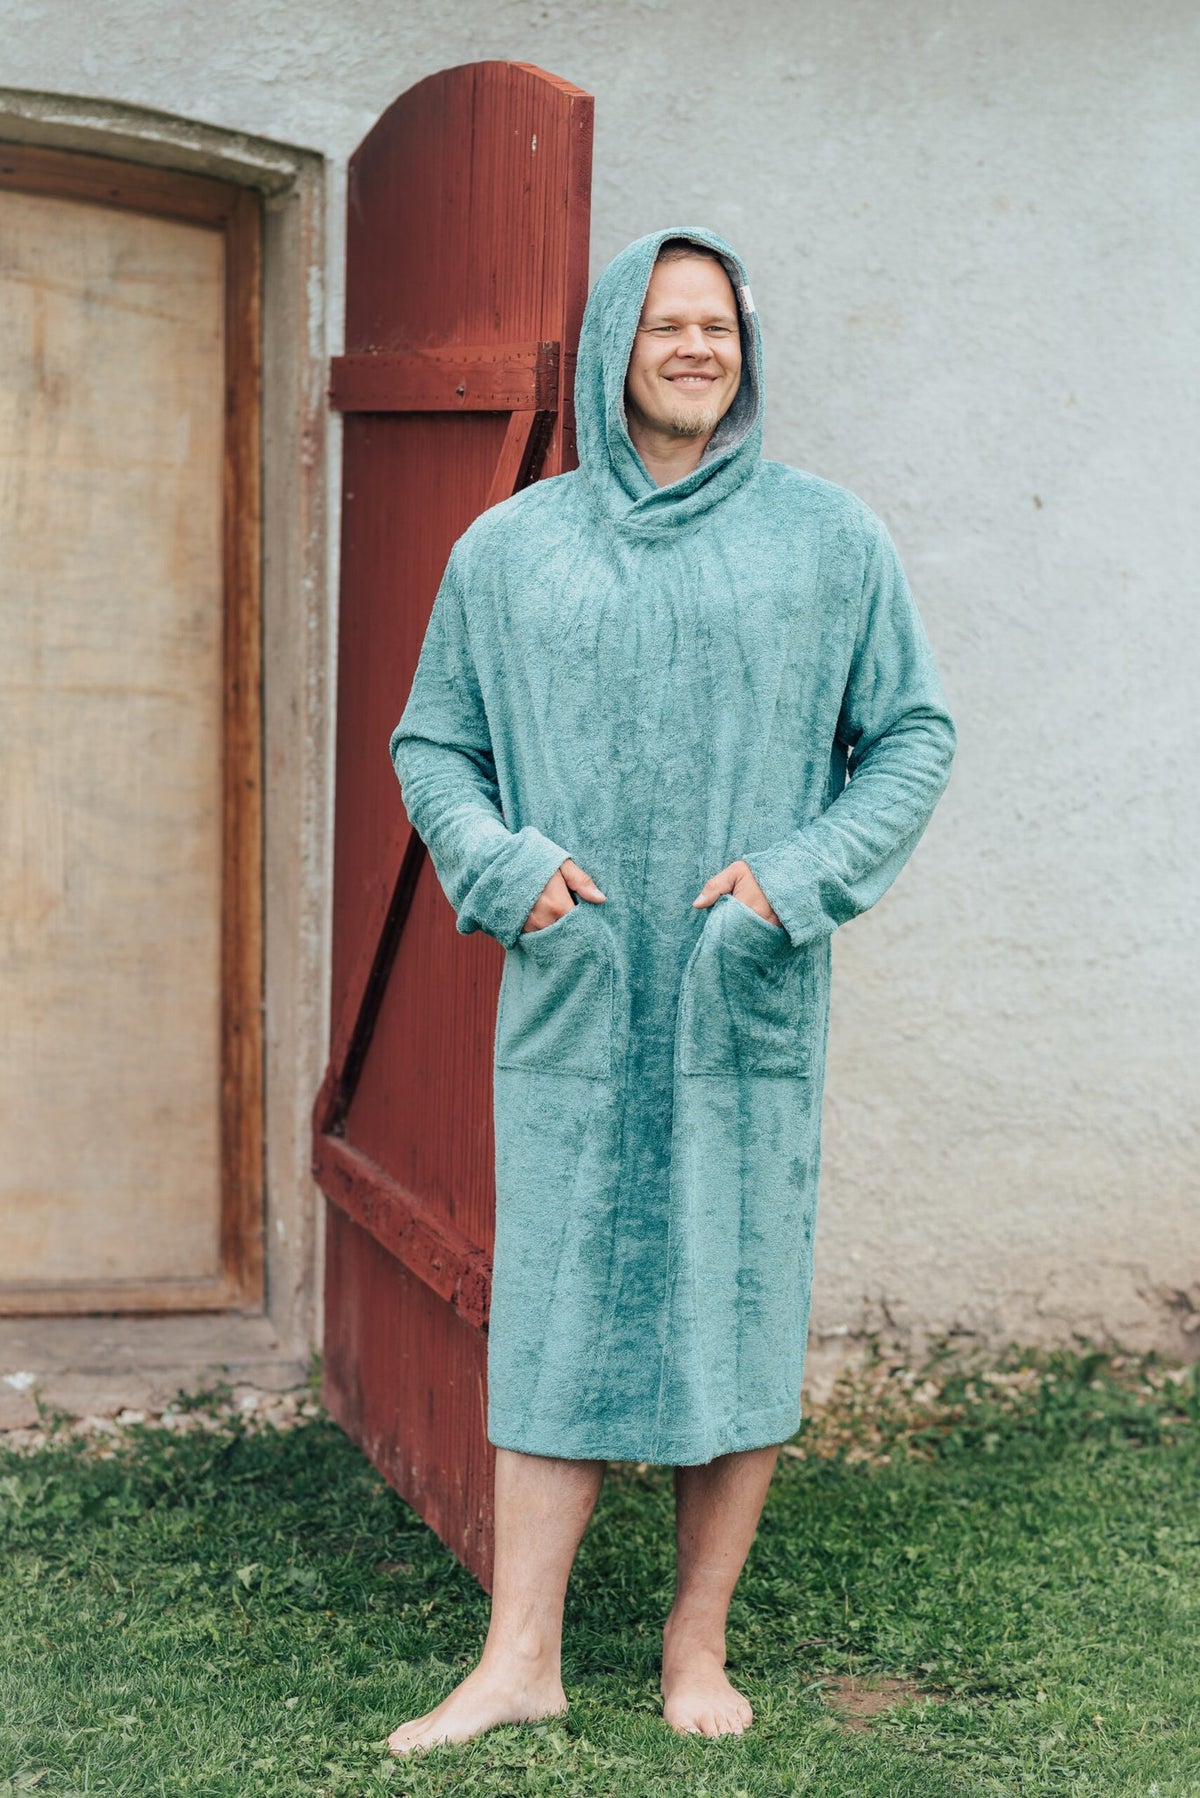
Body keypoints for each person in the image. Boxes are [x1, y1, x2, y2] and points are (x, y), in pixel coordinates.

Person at [386, 227, 956, 1754]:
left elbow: (910, 738)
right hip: (575, 992)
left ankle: (695, 1646)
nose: (695, 347)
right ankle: (521, 1656)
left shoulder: (831, 542)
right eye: (664, 322)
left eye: (718, 325)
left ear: (744, 351)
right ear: (611, 346)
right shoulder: (510, 552)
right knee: (553, 1309)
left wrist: (795, 879)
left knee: (739, 1302)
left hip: (740, 999)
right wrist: (508, 874)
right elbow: (433, 746)